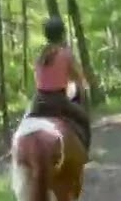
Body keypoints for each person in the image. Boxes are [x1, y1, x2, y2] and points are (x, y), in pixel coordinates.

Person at [27, 16, 92, 156]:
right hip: (58, 101)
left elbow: (38, 79)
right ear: (62, 34)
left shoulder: (40, 56)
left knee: (24, 125)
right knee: (84, 120)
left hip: (39, 101)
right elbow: (78, 79)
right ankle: (84, 154)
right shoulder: (66, 54)